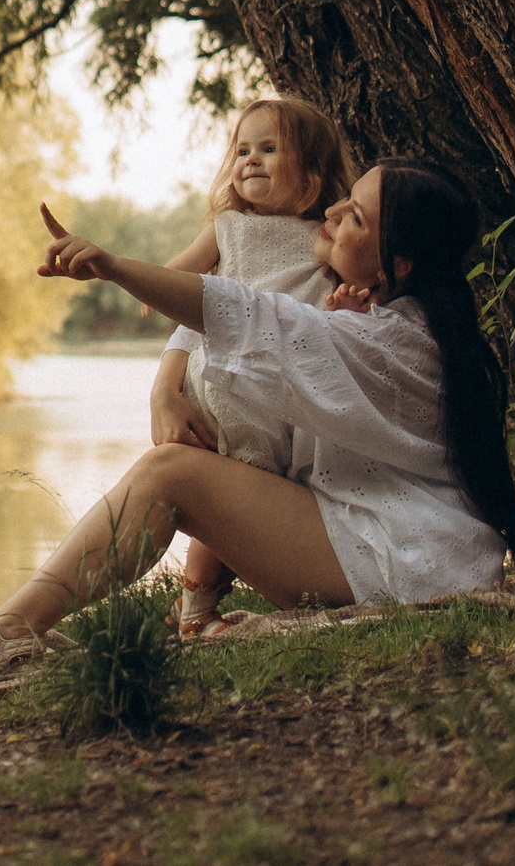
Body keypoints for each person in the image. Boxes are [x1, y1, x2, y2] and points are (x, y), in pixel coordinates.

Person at [0, 158, 515, 684]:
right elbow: (256, 368)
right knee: (184, 466)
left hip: (403, 561)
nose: (333, 212)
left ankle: (4, 635)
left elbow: (242, 313)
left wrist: (113, 267)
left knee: (172, 474)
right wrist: (168, 381)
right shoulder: (393, 324)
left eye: (355, 216)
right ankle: (15, 631)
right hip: (387, 545)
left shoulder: (395, 341)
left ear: (399, 266)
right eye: (345, 201)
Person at [147, 98, 354, 634]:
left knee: (242, 492)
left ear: (311, 173)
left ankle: (203, 606)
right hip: (224, 381)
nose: (250, 161)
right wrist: (145, 283)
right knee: (226, 484)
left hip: (283, 392)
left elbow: (346, 293)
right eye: (242, 151)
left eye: (268, 149)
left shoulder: (324, 237)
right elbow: (184, 286)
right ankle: (196, 608)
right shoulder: (228, 228)